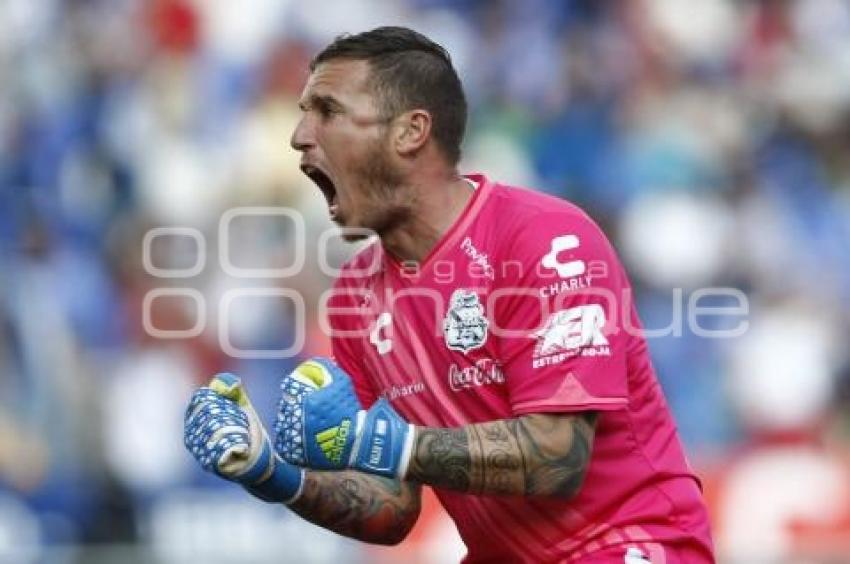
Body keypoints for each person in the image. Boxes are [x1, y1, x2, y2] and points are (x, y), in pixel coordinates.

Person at [183, 26, 715, 563]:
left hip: (629, 545)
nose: (299, 134)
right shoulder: (354, 299)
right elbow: (392, 507)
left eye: (327, 111)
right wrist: (271, 472)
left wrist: (372, 439)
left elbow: (559, 454)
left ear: (410, 131)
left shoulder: (544, 238)